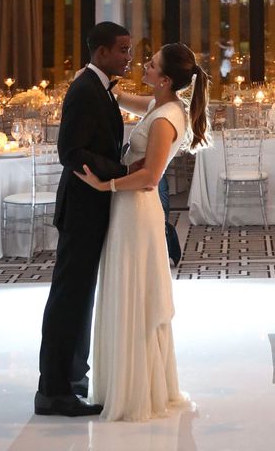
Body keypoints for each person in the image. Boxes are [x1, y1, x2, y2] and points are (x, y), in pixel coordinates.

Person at [75, 42, 210, 422]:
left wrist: (107, 186)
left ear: (165, 79)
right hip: (129, 210)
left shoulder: (167, 118)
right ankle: (125, 380)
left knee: (134, 294)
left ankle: (136, 392)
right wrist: (101, 84)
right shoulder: (160, 106)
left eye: (150, 66)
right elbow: (129, 101)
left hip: (136, 209)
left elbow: (151, 177)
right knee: (126, 290)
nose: (143, 67)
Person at [35, 21, 132, 418]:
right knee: (69, 299)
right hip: (81, 208)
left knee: (80, 298)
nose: (129, 57)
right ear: (102, 52)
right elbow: (71, 151)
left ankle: (72, 381)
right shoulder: (85, 90)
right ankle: (53, 391)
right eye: (123, 50)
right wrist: (123, 170)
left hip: (91, 207)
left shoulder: (101, 89)